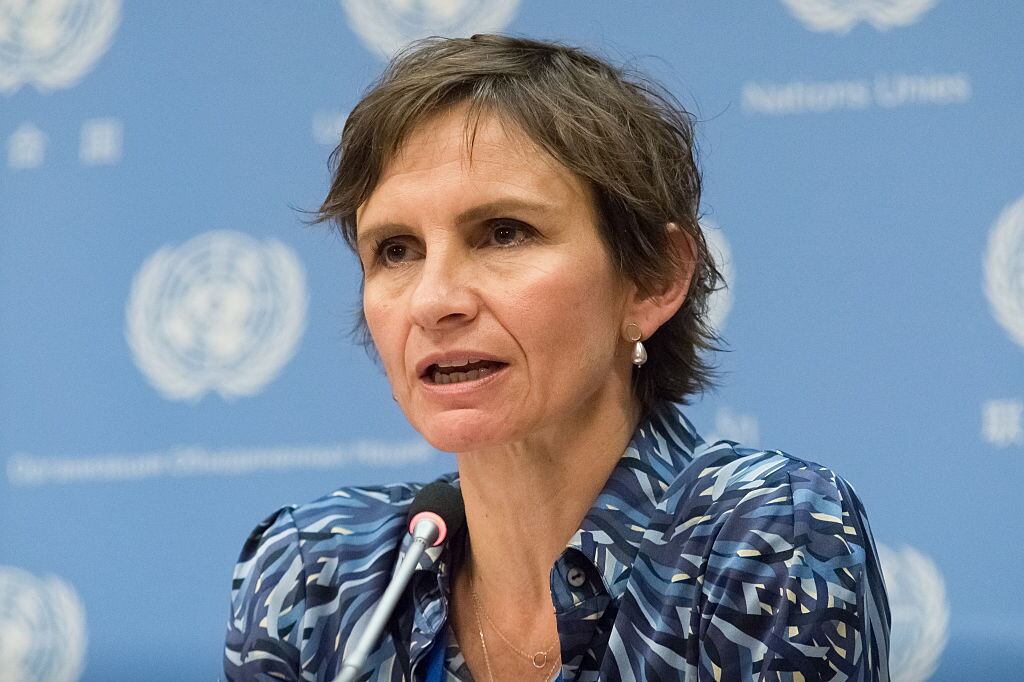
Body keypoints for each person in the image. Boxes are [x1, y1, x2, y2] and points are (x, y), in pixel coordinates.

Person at [223, 34, 890, 681]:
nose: (434, 301)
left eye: (504, 233)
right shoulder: (318, 577)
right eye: (396, 249)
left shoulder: (760, 538)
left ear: (654, 279)